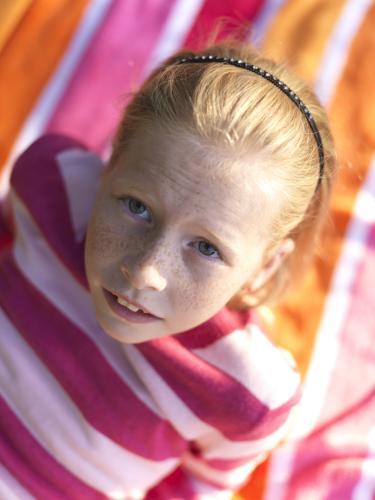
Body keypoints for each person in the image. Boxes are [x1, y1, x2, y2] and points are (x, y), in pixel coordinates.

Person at [0, 38, 337, 499]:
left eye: (206, 247)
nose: (145, 272)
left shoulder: (247, 396)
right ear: (110, 167)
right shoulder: (51, 181)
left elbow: (192, 491)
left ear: (264, 266)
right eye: (136, 206)